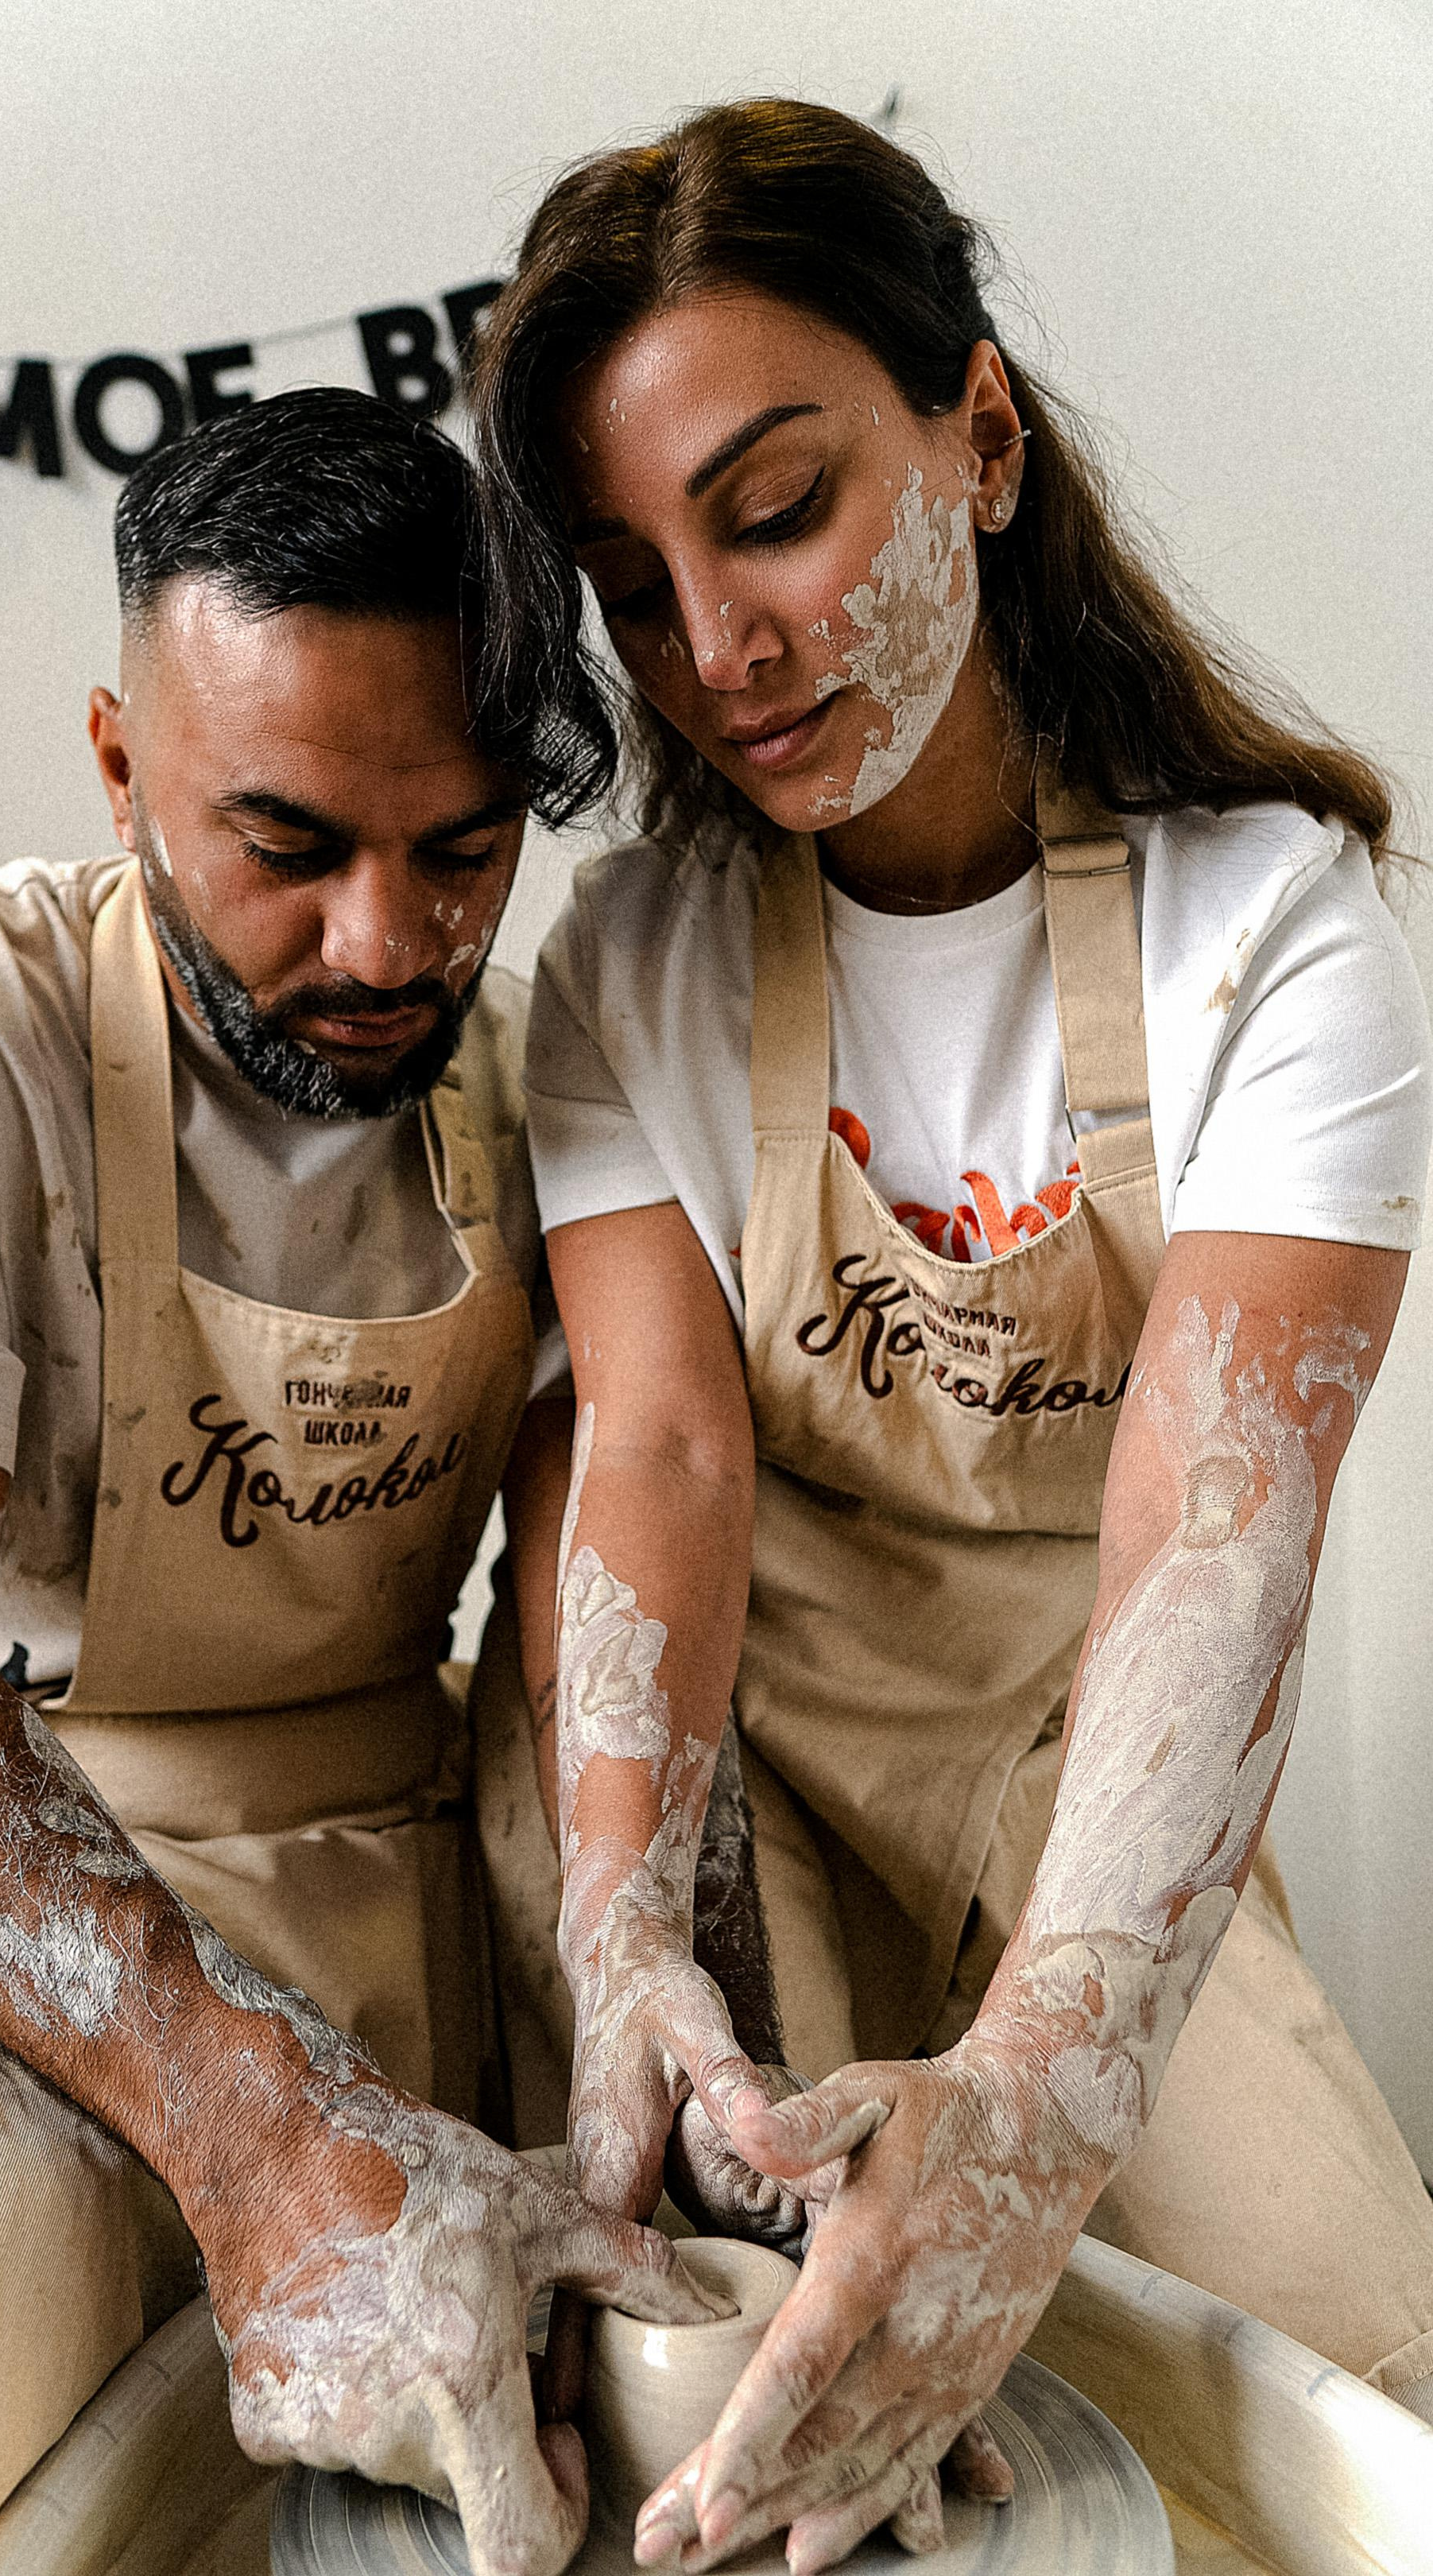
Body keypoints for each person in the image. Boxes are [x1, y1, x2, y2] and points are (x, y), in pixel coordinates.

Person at [467, 98, 1433, 2567]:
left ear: (977, 437)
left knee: (1361, 2390)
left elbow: (1216, 1540)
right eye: (636, 585)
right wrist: (622, 1938)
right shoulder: (634, 970)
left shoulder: (1280, 939)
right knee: (728, 2333)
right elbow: (661, 1463)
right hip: (728, 1742)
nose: (721, 650)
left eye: (777, 509)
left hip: (1077, 1735)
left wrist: (1044, 2086)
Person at [0, 388, 721, 2576]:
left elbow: (614, 1558)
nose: (386, 946)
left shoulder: (555, 1071)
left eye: (460, 851)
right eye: (287, 847)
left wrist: (645, 1977)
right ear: (115, 762)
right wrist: (256, 2135)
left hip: (411, 1852)